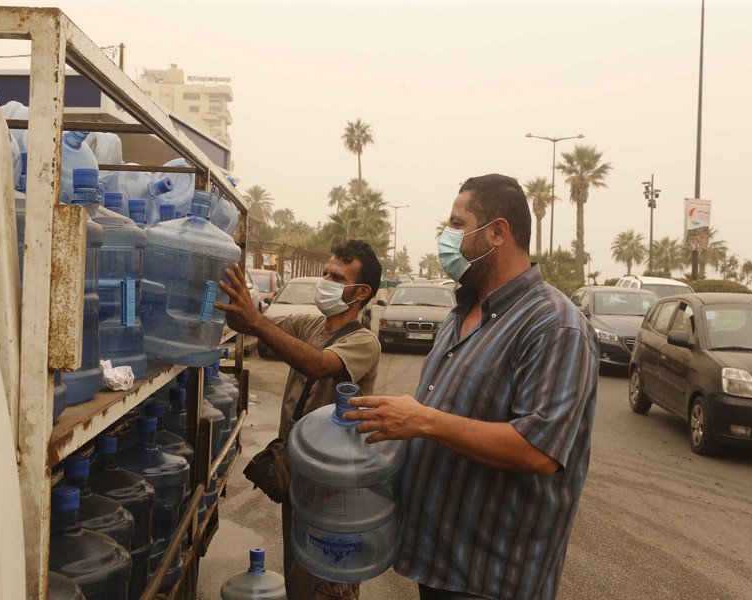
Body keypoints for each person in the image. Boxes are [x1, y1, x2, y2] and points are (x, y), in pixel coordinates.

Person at [344, 174, 598, 600]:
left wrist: (423, 421)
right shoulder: (461, 312)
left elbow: (540, 451)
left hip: (493, 577)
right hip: (440, 561)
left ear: (497, 232)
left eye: (458, 225)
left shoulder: (554, 325)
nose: (447, 237)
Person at [215, 240, 383, 600]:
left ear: (362, 291)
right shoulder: (310, 324)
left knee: (326, 579)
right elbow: (247, 322)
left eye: (336, 277)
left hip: (334, 493)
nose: (324, 280)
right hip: (300, 477)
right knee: (298, 571)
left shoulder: (365, 342)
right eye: (325, 272)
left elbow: (318, 364)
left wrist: (256, 320)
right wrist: (227, 287)